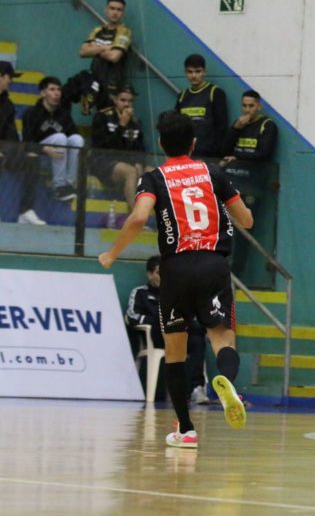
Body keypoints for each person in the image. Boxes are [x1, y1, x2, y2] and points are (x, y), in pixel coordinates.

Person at [99, 111, 253, 448]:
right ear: (193, 143)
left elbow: (138, 218)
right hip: (213, 263)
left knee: (175, 351)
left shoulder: (153, 178)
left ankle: (186, 429)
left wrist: (112, 253)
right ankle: (227, 383)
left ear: (161, 143)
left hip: (175, 269)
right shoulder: (213, 173)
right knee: (222, 338)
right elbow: (247, 220)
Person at [126, 255, 210, 404]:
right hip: (156, 337)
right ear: (150, 274)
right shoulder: (140, 293)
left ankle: (195, 389)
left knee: (197, 339)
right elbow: (132, 316)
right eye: (160, 273)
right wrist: (157, 320)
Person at [220, 89, 278, 276]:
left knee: (244, 232)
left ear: (258, 106)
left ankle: (237, 273)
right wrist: (235, 128)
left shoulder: (267, 126)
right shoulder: (239, 124)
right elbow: (224, 150)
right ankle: (222, 269)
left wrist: (237, 157)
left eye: (251, 106)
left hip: (253, 185)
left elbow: (263, 154)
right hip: (233, 183)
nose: (247, 110)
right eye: (244, 106)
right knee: (225, 227)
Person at [22, 76, 84, 201]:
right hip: (40, 158)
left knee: (77, 139)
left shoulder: (63, 115)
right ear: (43, 93)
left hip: (60, 158)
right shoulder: (31, 113)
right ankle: (59, 187)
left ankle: (69, 184)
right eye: (52, 89)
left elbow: (74, 138)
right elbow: (26, 143)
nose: (57, 93)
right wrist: (43, 149)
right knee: (60, 137)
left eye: (58, 89)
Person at [0, 61, 44, 225]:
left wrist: (19, 151)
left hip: (3, 150)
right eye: (9, 77)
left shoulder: (8, 105)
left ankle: (25, 211)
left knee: (31, 159)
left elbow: (11, 135)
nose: (11, 81)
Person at [90, 84, 144, 210]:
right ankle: (136, 215)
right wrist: (122, 125)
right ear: (115, 100)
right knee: (130, 171)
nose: (127, 104)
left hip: (126, 161)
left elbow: (140, 148)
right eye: (123, 100)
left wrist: (139, 162)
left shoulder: (136, 122)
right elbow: (103, 147)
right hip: (103, 161)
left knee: (153, 173)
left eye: (130, 101)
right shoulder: (102, 117)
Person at [78, 0, 132, 110]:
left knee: (110, 117)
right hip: (95, 82)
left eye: (119, 10)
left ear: (123, 13)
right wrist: (105, 48)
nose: (115, 12)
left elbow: (114, 57)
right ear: (106, 10)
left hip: (113, 85)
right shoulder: (97, 30)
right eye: (112, 8)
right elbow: (83, 51)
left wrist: (95, 48)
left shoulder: (124, 32)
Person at [175, 54, 228, 159]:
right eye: (190, 72)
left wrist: (216, 153)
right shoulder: (182, 95)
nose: (194, 76)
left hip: (209, 155)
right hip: (186, 154)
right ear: (185, 73)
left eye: (198, 71)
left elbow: (221, 127)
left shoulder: (215, 92)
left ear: (204, 72)